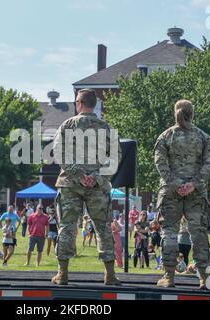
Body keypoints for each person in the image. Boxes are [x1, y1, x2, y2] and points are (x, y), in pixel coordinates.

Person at [51, 89, 122, 286]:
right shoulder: (105, 127)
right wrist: (96, 176)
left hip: (70, 184)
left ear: (80, 103)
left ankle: (62, 274)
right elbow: (116, 157)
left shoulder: (68, 125)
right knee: (103, 228)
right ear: (94, 104)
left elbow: (58, 151)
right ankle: (110, 275)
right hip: (97, 186)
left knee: (67, 226)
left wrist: (78, 174)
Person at [154, 99, 210, 289]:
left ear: (176, 113)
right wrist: (194, 184)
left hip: (170, 191)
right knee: (198, 234)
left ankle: (169, 277)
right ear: (193, 114)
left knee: (170, 233)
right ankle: (204, 279)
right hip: (196, 192)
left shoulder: (165, 136)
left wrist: (175, 183)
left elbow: (160, 163)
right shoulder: (204, 137)